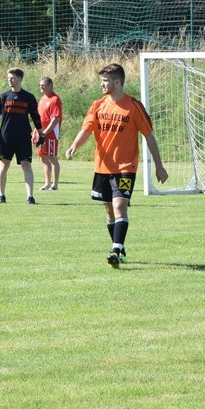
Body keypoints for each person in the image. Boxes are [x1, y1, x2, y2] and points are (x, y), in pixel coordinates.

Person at [65, 63, 167, 268]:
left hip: (125, 168)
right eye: (101, 81)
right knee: (110, 211)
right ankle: (119, 248)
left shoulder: (134, 106)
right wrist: (74, 146)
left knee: (120, 206)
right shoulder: (97, 105)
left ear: (118, 82)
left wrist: (159, 165)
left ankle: (116, 250)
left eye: (105, 81)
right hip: (102, 167)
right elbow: (86, 130)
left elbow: (148, 136)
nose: (102, 84)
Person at [0, 67, 44, 205]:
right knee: (4, 165)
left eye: (12, 78)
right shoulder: (3, 97)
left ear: (19, 79)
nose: (9, 80)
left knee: (26, 165)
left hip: (23, 137)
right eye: (8, 78)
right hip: (6, 136)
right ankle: (1, 195)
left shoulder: (28, 97)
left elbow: (35, 116)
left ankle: (30, 196)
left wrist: (40, 132)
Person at [37, 75, 63, 191]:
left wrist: (45, 132)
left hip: (51, 134)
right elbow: (40, 117)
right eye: (40, 85)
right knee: (43, 158)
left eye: (43, 85)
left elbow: (55, 119)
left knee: (52, 158)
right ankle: (47, 183)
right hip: (42, 133)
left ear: (50, 86)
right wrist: (37, 131)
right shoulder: (42, 99)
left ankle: (55, 184)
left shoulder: (55, 99)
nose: (41, 87)